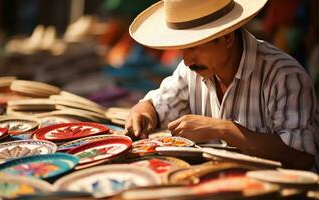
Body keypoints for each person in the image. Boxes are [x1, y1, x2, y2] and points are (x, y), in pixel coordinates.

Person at [125, 0, 319, 171]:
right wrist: (143, 112)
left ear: (226, 38)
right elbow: (158, 103)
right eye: (183, 48)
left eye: (194, 46)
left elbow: (301, 157)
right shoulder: (193, 69)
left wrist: (222, 129)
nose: (186, 60)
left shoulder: (283, 75)